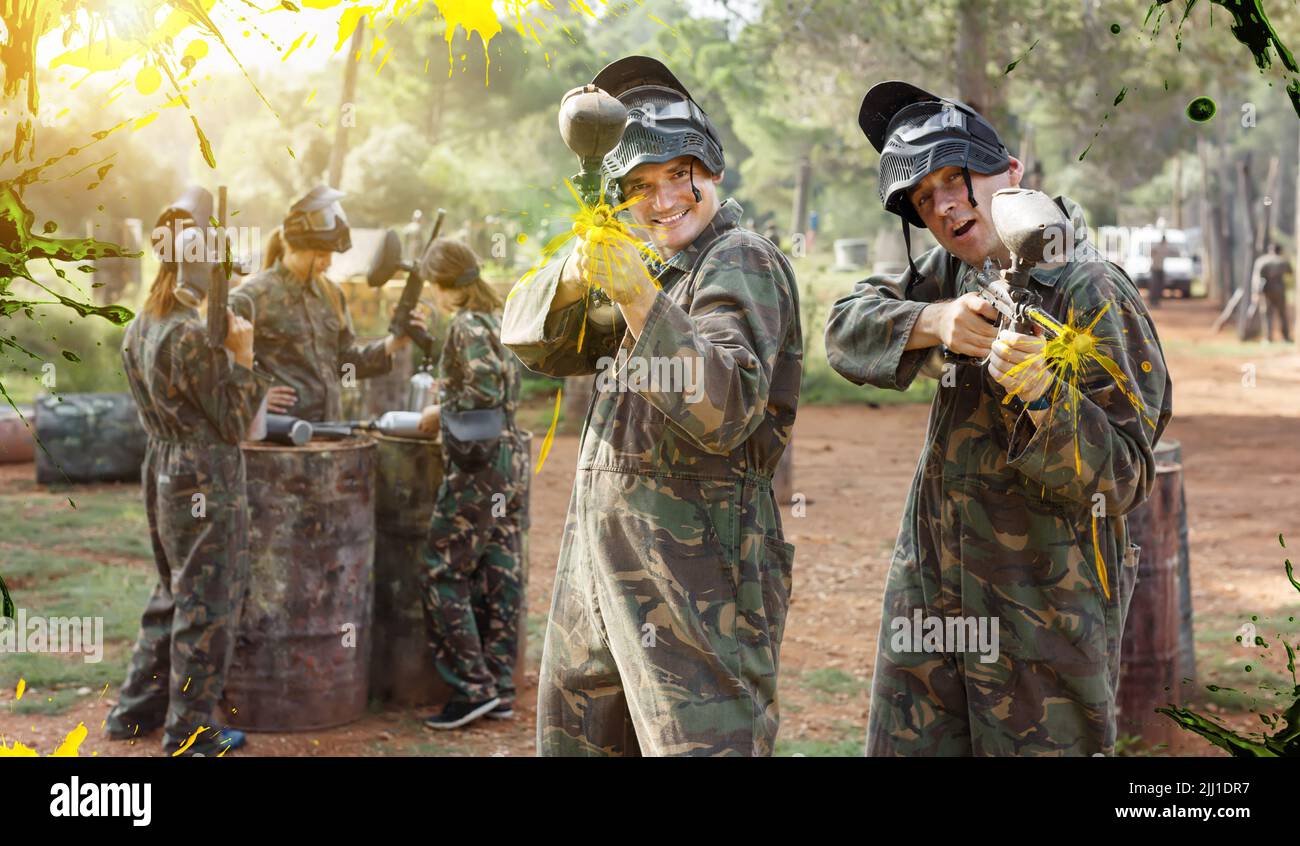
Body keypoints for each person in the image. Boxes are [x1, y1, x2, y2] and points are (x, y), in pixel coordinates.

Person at [825, 81, 1172, 756]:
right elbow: (845, 328)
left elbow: (1125, 477)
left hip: (1040, 614)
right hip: (932, 598)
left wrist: (1048, 399)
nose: (945, 204)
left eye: (956, 178)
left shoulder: (1090, 288)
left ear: (1012, 173)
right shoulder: (953, 273)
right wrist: (932, 320)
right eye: (924, 198)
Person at [502, 56, 803, 756]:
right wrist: (576, 275)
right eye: (639, 186)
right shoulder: (649, 267)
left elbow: (723, 408)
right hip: (602, 569)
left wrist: (639, 298)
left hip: (699, 581)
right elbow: (526, 335)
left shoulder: (742, 258)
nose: (663, 198)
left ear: (713, 170)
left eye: (679, 174)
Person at [106, 187, 271, 756]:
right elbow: (231, 422)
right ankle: (190, 733)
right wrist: (244, 359)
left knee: (170, 592)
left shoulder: (142, 324)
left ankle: (132, 712)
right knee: (207, 602)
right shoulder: (185, 334)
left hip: (162, 466)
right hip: (204, 470)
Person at [414, 238, 529, 729]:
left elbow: (480, 391)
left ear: (442, 285)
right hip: (510, 458)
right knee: (498, 570)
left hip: (478, 466)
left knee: (441, 569)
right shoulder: (497, 315)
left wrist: (440, 409)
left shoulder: (464, 324)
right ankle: (500, 687)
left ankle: (471, 687)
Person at [230, 185, 424, 421]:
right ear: (293, 246)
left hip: (329, 436)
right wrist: (256, 395)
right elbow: (212, 366)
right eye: (321, 254)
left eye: (331, 253)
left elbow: (346, 365)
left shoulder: (331, 294)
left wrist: (394, 342)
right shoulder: (251, 297)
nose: (328, 263)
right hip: (278, 443)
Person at [1249, 243, 1293, 342]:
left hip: (1266, 291)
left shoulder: (1261, 261)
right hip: (1280, 290)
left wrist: (1255, 293)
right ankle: (1285, 337)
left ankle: (1268, 337)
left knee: (1267, 314)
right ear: (1280, 251)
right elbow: (1290, 272)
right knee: (1282, 314)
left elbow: (1257, 279)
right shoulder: (1283, 261)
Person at [1148, 233, 1172, 308]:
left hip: (1160, 269)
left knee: (1159, 286)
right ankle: (1152, 301)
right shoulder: (1157, 247)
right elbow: (1151, 253)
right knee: (1155, 286)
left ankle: (1157, 301)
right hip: (1155, 268)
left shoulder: (1165, 248)